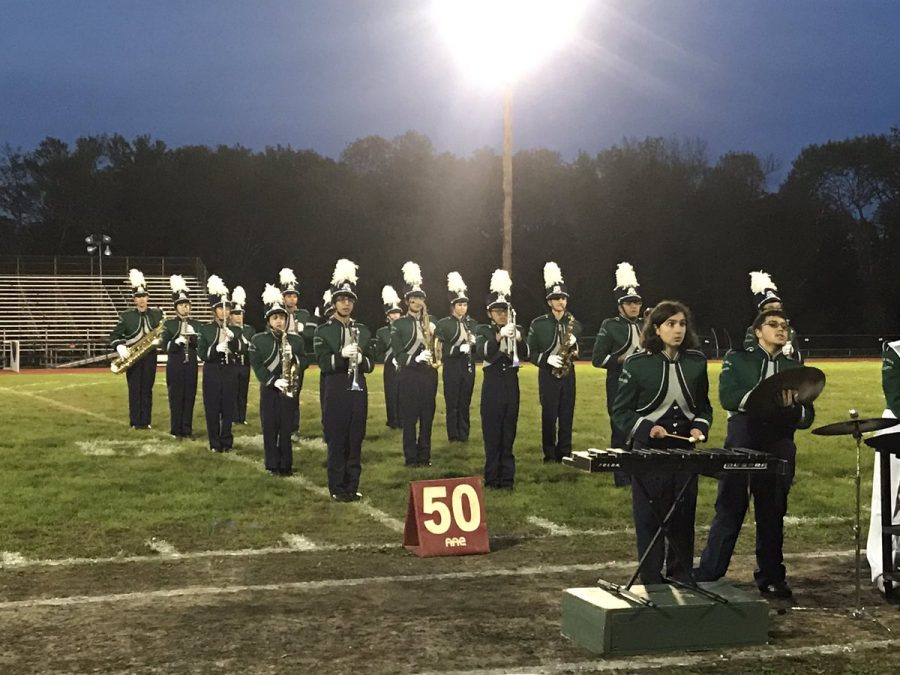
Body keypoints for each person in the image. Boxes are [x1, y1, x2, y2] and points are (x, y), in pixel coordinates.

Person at [696, 308, 814, 598]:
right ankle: (710, 571)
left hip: (780, 439)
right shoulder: (738, 359)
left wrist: (795, 407)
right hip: (744, 434)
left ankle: (772, 576)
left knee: (773, 509)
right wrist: (767, 397)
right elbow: (729, 398)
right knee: (730, 505)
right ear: (758, 331)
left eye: (784, 325)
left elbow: (808, 416)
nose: (781, 329)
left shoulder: (794, 365)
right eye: (773, 324)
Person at [612, 301, 712, 585]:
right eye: (670, 324)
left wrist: (698, 428)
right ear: (656, 328)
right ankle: (651, 580)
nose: (677, 329)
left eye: (681, 323)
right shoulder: (638, 363)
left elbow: (704, 408)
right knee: (650, 519)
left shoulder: (696, 362)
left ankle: (681, 575)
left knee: (683, 516)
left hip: (685, 451)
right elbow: (620, 410)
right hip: (649, 451)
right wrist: (646, 428)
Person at [313, 259, 375, 502]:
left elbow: (371, 362)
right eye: (341, 300)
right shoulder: (324, 331)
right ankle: (337, 487)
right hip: (336, 389)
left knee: (355, 438)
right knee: (337, 439)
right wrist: (340, 356)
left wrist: (361, 359)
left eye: (349, 300)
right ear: (334, 302)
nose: (346, 303)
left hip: (358, 391)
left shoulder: (364, 330)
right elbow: (322, 362)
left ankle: (353, 485)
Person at [476, 269, 529, 489]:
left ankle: (507, 478)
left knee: (508, 432)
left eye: (505, 310)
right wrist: (500, 336)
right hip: (493, 384)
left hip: (511, 384)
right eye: (497, 311)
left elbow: (525, 354)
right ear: (489, 313)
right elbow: (484, 351)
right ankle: (491, 478)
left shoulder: (517, 328)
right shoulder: (483, 330)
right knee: (492, 433)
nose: (502, 315)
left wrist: (518, 337)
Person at [592, 262, 644, 486]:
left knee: (640, 427)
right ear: (620, 306)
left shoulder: (646, 325)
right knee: (620, 428)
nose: (634, 307)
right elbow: (597, 359)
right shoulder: (610, 325)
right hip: (618, 383)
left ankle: (637, 470)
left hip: (642, 385)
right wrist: (620, 360)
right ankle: (621, 476)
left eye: (637, 302)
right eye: (629, 303)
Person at [249, 284, 307, 475]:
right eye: (275, 318)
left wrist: (295, 358)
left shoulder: (296, 340)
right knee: (270, 427)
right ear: (268, 321)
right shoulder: (258, 340)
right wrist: (272, 380)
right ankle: (272, 463)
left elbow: (305, 360)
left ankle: (286, 463)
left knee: (286, 427)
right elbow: (257, 365)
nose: (279, 321)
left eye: (282, 317)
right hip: (270, 389)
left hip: (288, 387)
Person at [527, 262, 582, 463]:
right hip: (548, 375)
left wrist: (575, 348)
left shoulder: (574, 324)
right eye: (557, 298)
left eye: (564, 298)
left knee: (567, 414)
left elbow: (577, 352)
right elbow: (530, 352)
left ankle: (565, 451)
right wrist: (546, 359)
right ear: (549, 301)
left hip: (569, 374)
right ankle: (549, 454)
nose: (561, 301)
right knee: (549, 416)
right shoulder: (538, 324)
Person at [390, 261, 438, 467]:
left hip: (428, 375)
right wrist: (414, 359)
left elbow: (438, 349)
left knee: (427, 418)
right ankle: (411, 458)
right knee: (410, 420)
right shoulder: (399, 324)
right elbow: (399, 355)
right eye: (414, 298)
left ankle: (425, 456)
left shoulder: (431, 321)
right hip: (409, 376)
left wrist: (435, 336)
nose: (418, 301)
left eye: (420, 297)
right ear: (407, 300)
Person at [109, 268, 163, 429]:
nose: (141, 300)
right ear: (134, 299)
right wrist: (120, 346)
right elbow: (114, 335)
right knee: (134, 391)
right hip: (133, 357)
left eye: (143, 296)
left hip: (150, 357)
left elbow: (164, 331)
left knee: (147, 389)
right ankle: (135, 422)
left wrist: (161, 340)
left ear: (148, 298)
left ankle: (146, 422)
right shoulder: (126, 316)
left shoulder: (157, 314)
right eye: (138, 297)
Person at [197, 275, 246, 453]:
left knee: (228, 408)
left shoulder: (234, 329)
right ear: (214, 310)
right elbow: (201, 353)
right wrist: (215, 348)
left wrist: (233, 340)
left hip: (230, 370)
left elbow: (242, 349)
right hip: (212, 371)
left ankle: (227, 440)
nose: (225, 312)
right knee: (212, 408)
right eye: (221, 308)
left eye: (227, 309)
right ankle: (214, 442)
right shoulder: (206, 329)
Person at [868, 339, 900, 594]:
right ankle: (882, 567)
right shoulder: (896, 349)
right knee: (888, 501)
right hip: (897, 429)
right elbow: (896, 397)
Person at [435, 272, 478, 443]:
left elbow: (479, 350)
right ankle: (453, 435)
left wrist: (475, 344)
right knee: (452, 402)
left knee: (465, 402)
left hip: (468, 366)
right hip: (452, 367)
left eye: (465, 304)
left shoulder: (473, 323)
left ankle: (464, 434)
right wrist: (458, 348)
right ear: (453, 306)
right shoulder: (443, 324)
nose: (463, 308)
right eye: (459, 304)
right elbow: (440, 349)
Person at [160, 274, 202, 439]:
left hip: (191, 365)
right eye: (182, 305)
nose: (185, 308)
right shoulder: (169, 324)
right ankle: (175, 429)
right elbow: (165, 346)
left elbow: (201, 346)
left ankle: (187, 428)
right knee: (176, 397)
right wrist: (176, 341)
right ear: (176, 307)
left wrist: (195, 337)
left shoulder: (196, 324)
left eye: (187, 305)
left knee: (189, 396)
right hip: (175, 365)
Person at [280, 267, 317, 436]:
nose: (292, 299)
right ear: (283, 297)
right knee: (280, 394)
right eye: (288, 296)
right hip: (281, 358)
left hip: (297, 358)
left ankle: (294, 427)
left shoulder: (303, 314)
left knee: (295, 393)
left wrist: (302, 330)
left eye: (294, 296)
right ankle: (281, 423)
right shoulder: (277, 313)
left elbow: (310, 335)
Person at [743, 271, 802, 361]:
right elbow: (749, 359)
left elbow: (800, 362)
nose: (776, 312)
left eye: (778, 308)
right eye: (770, 308)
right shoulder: (754, 331)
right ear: (761, 312)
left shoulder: (790, 331)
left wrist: (793, 353)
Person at [375, 285, 403, 430]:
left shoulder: (406, 328)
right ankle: (393, 420)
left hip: (404, 364)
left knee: (404, 392)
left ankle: (404, 419)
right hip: (390, 366)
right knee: (391, 393)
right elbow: (379, 352)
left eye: (398, 313)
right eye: (393, 313)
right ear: (387, 315)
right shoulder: (382, 332)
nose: (396, 315)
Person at [229, 285, 256, 425]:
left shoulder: (249, 330)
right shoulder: (227, 330)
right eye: (235, 313)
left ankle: (242, 417)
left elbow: (253, 347)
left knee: (243, 392)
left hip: (245, 363)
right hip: (233, 364)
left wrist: (247, 343)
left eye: (240, 313)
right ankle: (233, 416)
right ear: (230, 315)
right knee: (233, 391)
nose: (239, 316)